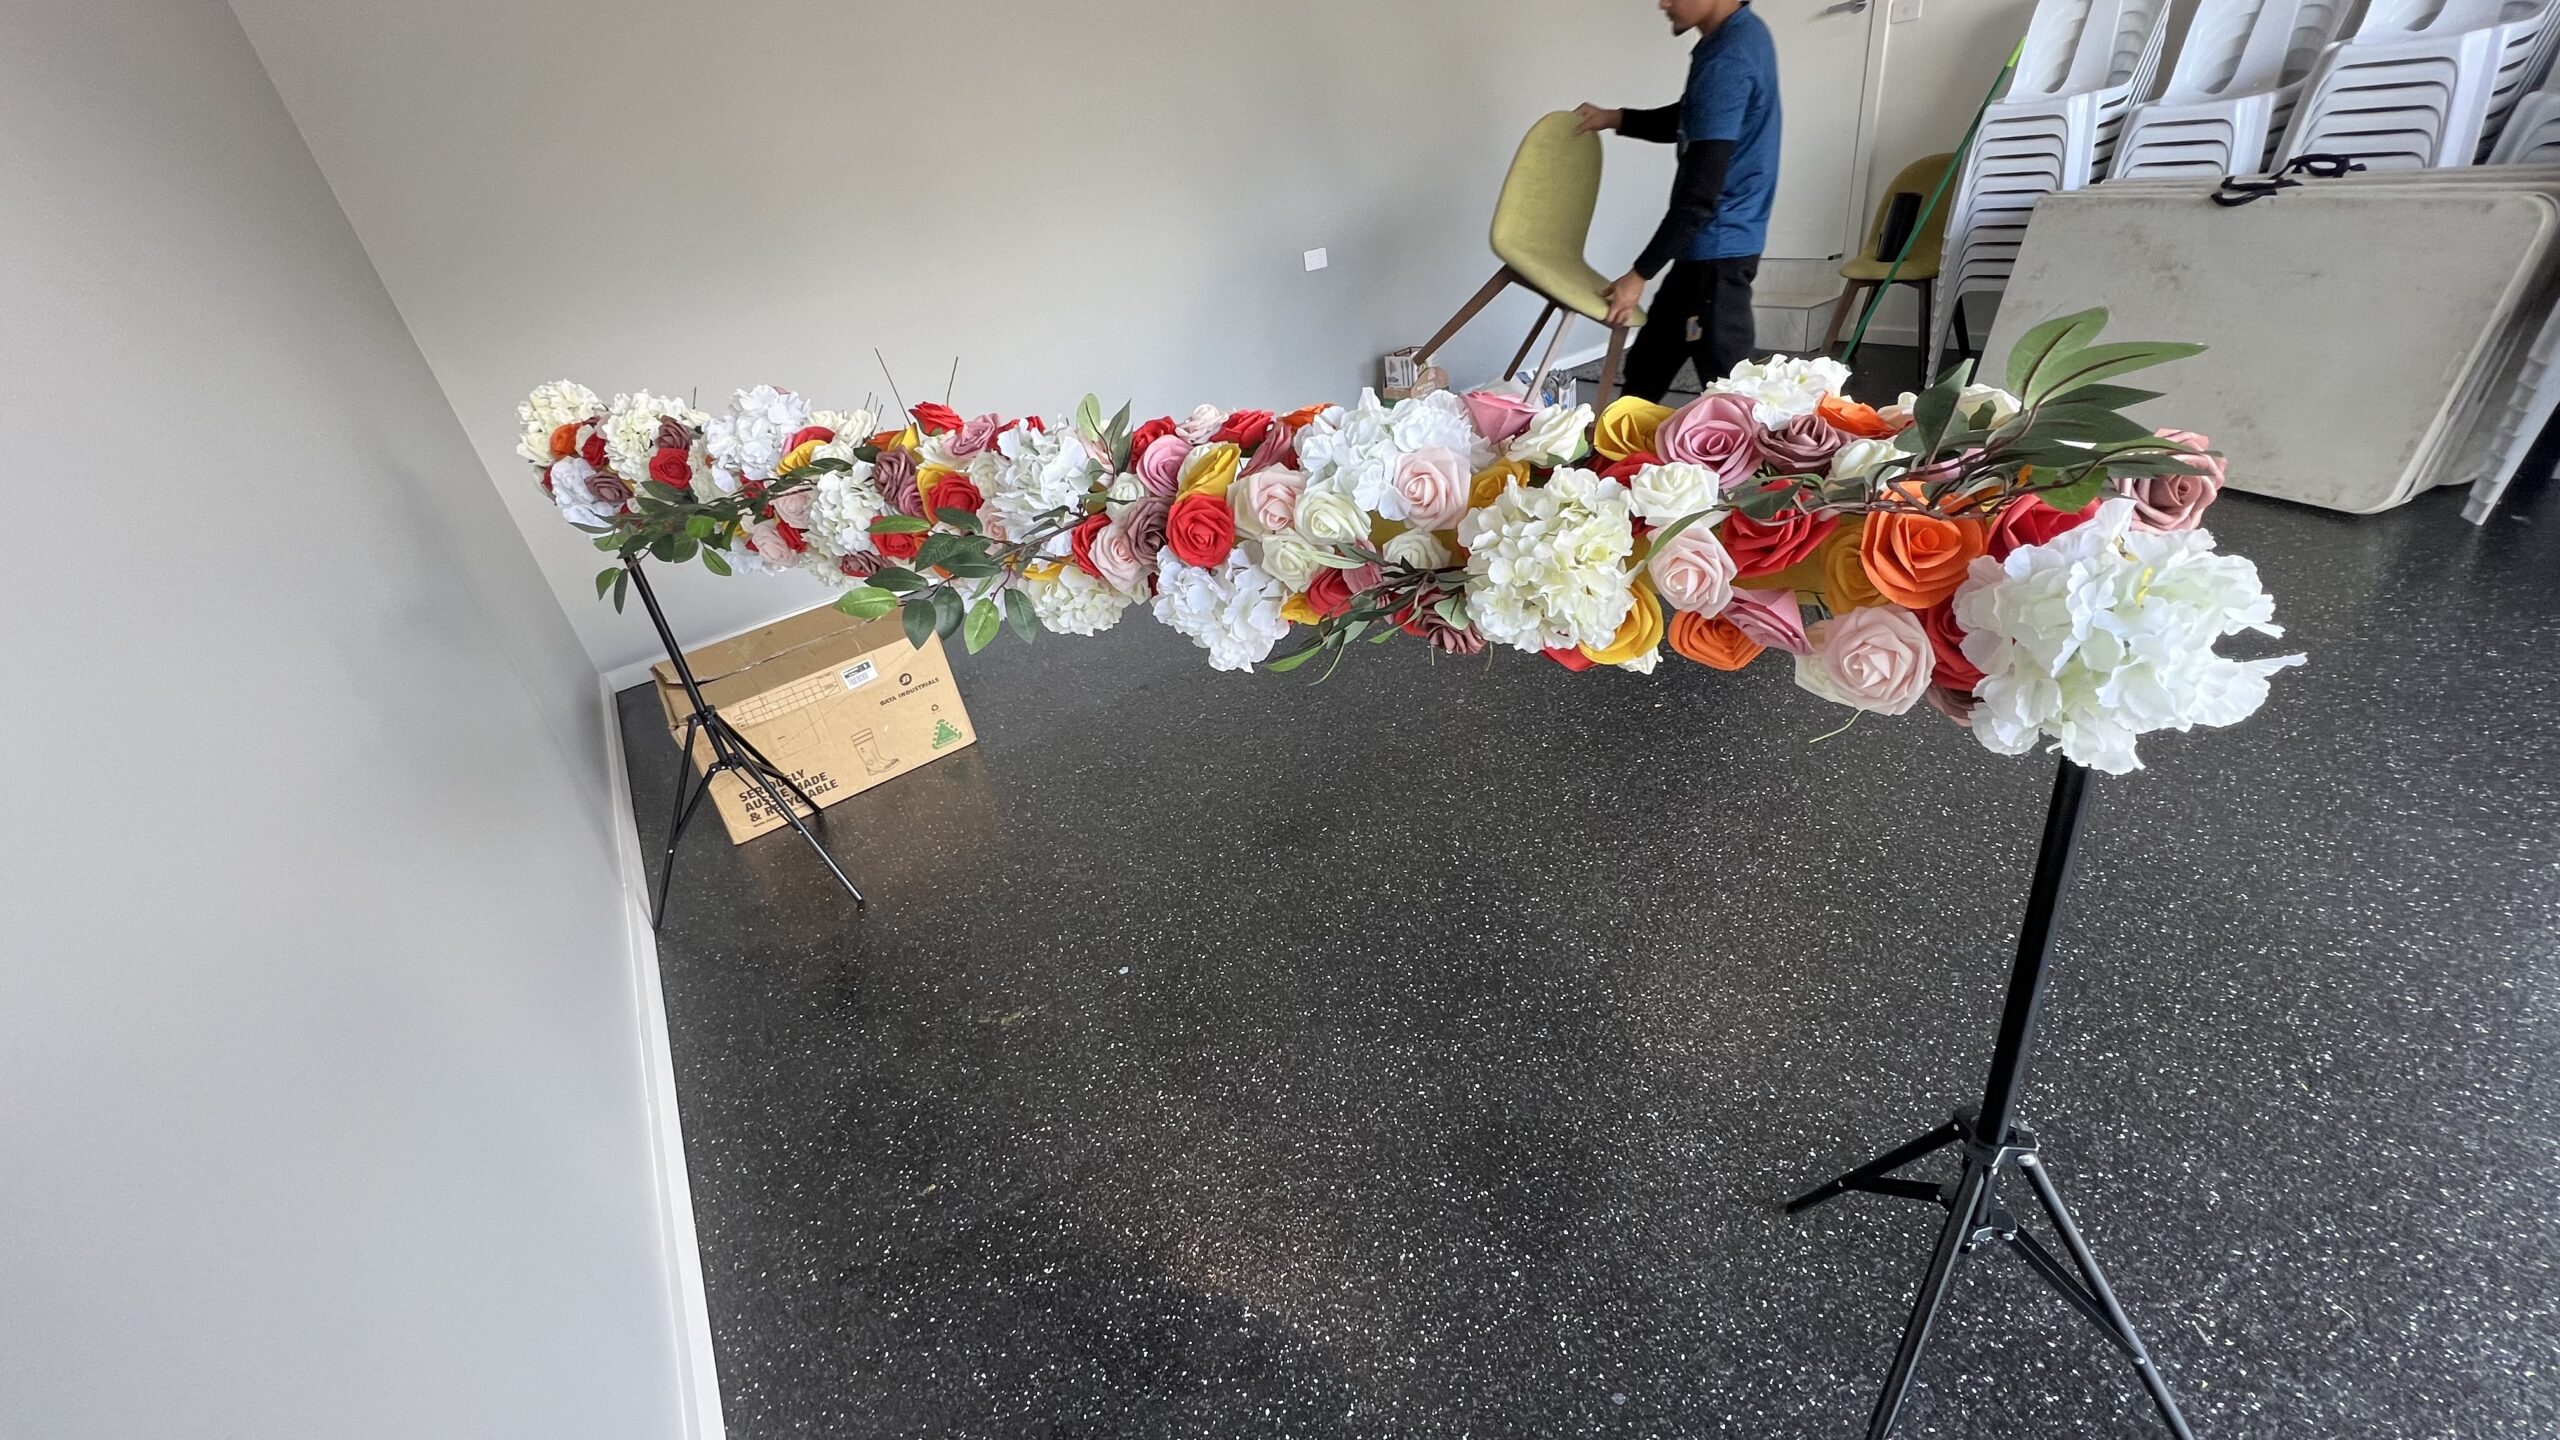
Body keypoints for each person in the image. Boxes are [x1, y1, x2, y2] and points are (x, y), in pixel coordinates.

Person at [1576, 0, 1782, 402]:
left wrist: (1638, 276)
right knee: (1648, 365)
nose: (1663, 3)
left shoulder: (1729, 57)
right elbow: (1697, 117)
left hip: (1717, 252)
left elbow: (1699, 196)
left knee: (1730, 393)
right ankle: (1622, 438)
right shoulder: (1741, 34)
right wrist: (1616, 118)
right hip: (1708, 246)